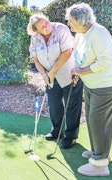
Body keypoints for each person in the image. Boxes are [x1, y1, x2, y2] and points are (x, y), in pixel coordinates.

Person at [65, 3, 112, 176]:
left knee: (99, 121)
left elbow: (105, 61)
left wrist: (81, 71)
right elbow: (78, 58)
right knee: (93, 120)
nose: (69, 24)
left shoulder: (99, 32)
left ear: (81, 20)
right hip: (92, 84)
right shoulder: (79, 34)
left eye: (71, 21)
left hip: (108, 84)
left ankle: (100, 164)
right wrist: (76, 71)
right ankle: (98, 151)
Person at [27, 13, 83, 149]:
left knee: (71, 106)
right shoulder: (35, 38)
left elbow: (68, 52)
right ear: (36, 30)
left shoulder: (61, 29)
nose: (46, 26)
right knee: (54, 105)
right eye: (42, 26)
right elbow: (36, 59)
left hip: (69, 74)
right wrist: (44, 75)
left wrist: (51, 72)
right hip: (50, 79)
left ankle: (70, 136)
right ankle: (56, 130)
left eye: (46, 22)